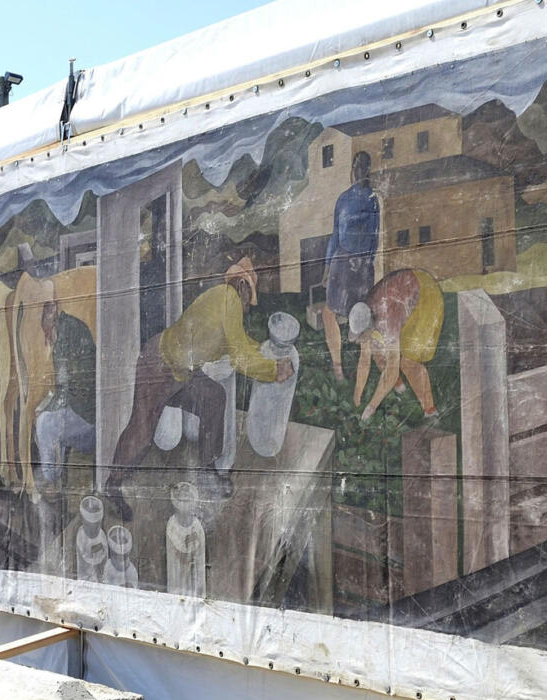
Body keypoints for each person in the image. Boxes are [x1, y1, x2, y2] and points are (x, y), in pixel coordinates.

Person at [104, 258, 293, 515]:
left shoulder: (225, 300)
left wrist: (261, 350)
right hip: (159, 366)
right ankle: (112, 485)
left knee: (214, 398)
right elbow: (239, 356)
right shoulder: (229, 299)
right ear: (241, 285)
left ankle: (206, 473)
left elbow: (236, 342)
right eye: (249, 295)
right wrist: (273, 370)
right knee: (141, 431)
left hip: (181, 373)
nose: (249, 304)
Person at [348, 268, 443, 423]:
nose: (362, 340)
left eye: (363, 335)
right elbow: (364, 359)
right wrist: (357, 395)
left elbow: (392, 367)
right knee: (377, 352)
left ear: (371, 326)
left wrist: (371, 407)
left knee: (408, 361)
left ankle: (430, 411)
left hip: (425, 294)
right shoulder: (365, 312)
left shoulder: (386, 320)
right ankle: (401, 390)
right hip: (402, 295)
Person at [322, 150, 380, 380]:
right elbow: (339, 236)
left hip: (352, 266)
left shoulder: (357, 199)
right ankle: (350, 370)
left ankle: (349, 373)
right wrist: (328, 268)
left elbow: (339, 238)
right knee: (346, 315)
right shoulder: (359, 199)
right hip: (353, 265)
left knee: (344, 316)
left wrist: (328, 269)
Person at [34, 298, 97, 488]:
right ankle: (56, 473)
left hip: (87, 420)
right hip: (93, 412)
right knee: (51, 418)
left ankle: (50, 479)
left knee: (44, 423)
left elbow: (63, 393)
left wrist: (41, 409)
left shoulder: (62, 338)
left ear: (50, 316)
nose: (45, 336)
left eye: (44, 329)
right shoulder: (73, 325)